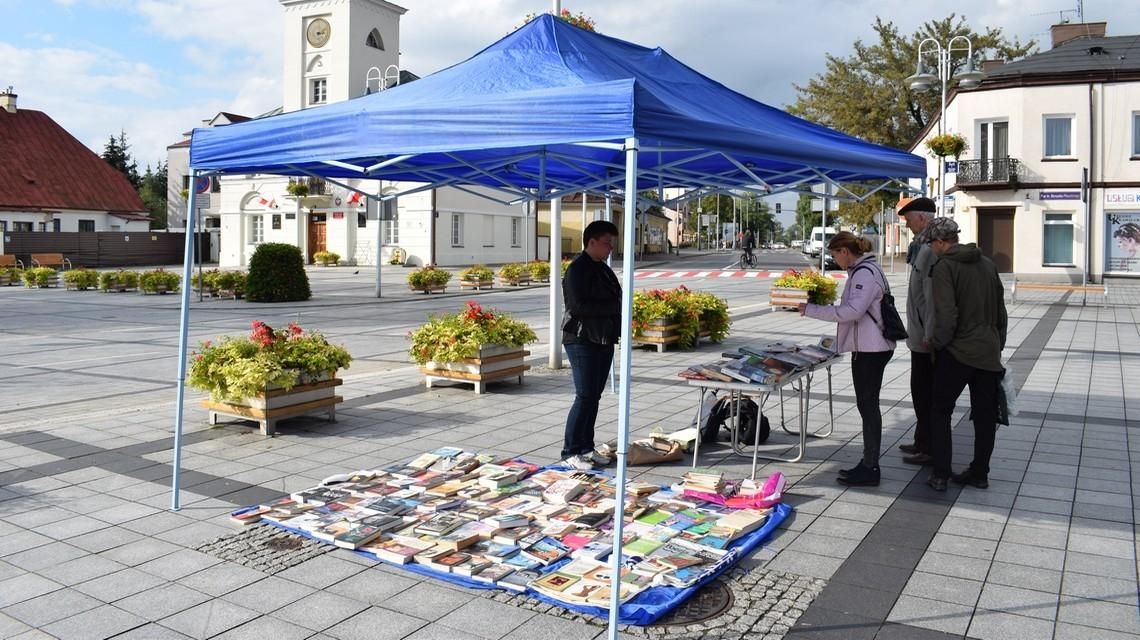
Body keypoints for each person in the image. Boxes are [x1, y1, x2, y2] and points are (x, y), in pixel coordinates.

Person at [798, 231, 895, 486]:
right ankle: (867, 463)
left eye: (833, 254)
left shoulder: (864, 273)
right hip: (869, 347)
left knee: (868, 406)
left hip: (871, 350)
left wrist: (811, 310)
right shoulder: (864, 270)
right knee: (867, 405)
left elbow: (852, 311)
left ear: (844, 251)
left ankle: (870, 466)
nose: (834, 260)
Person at [925, 217, 1008, 492]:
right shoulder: (987, 264)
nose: (931, 249)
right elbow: (1001, 312)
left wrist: (937, 343)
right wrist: (997, 344)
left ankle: (940, 474)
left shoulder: (945, 267)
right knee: (985, 417)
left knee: (939, 411)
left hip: (957, 352)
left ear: (940, 242)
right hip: (988, 352)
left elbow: (947, 315)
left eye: (931, 244)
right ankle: (980, 473)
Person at [560, 220, 622, 471]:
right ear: (592, 242)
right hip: (581, 339)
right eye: (607, 243)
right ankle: (570, 451)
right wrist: (613, 308)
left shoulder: (603, 269)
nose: (610, 248)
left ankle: (586, 447)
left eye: (611, 244)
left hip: (603, 338)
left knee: (594, 396)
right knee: (585, 395)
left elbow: (616, 296)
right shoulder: (577, 269)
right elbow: (578, 307)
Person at [895, 197, 937, 467]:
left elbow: (931, 299)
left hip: (926, 338)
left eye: (909, 221)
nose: (908, 226)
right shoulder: (921, 246)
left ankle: (929, 447)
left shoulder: (930, 249)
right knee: (919, 392)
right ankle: (922, 441)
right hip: (919, 334)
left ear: (922, 219)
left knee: (926, 394)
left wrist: (929, 335)